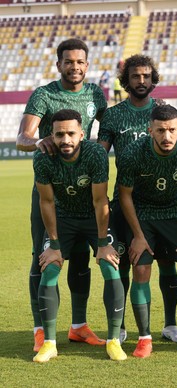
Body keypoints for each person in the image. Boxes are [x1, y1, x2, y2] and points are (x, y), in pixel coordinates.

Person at [16, 38, 108, 353]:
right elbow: (22, 137)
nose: (75, 66)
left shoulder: (96, 93)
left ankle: (79, 326)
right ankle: (41, 329)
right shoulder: (44, 94)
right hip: (50, 192)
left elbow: (107, 130)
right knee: (43, 258)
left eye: (80, 61)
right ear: (59, 65)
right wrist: (37, 143)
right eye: (68, 61)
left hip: (83, 192)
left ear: (87, 64)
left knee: (81, 258)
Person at [98, 54, 177, 344]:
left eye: (146, 76)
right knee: (125, 264)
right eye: (135, 76)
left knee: (167, 263)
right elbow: (100, 153)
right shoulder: (113, 115)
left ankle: (171, 325)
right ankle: (121, 325)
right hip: (128, 203)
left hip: (166, 203)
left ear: (153, 79)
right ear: (126, 81)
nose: (141, 81)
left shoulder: (163, 110)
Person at [32, 109, 125, 362]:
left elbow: (99, 201)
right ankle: (49, 343)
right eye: (59, 134)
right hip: (63, 218)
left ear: (82, 134)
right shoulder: (42, 158)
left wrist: (104, 242)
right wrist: (53, 243)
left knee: (110, 263)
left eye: (71, 133)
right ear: (51, 135)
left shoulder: (95, 154)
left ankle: (114, 340)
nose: (66, 140)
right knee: (49, 266)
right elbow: (47, 202)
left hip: (93, 216)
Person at [117, 105, 177, 358]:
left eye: (171, 130)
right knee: (141, 269)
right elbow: (124, 195)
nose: (166, 137)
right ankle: (144, 339)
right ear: (150, 130)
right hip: (143, 214)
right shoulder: (132, 153)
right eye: (160, 130)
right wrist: (137, 234)